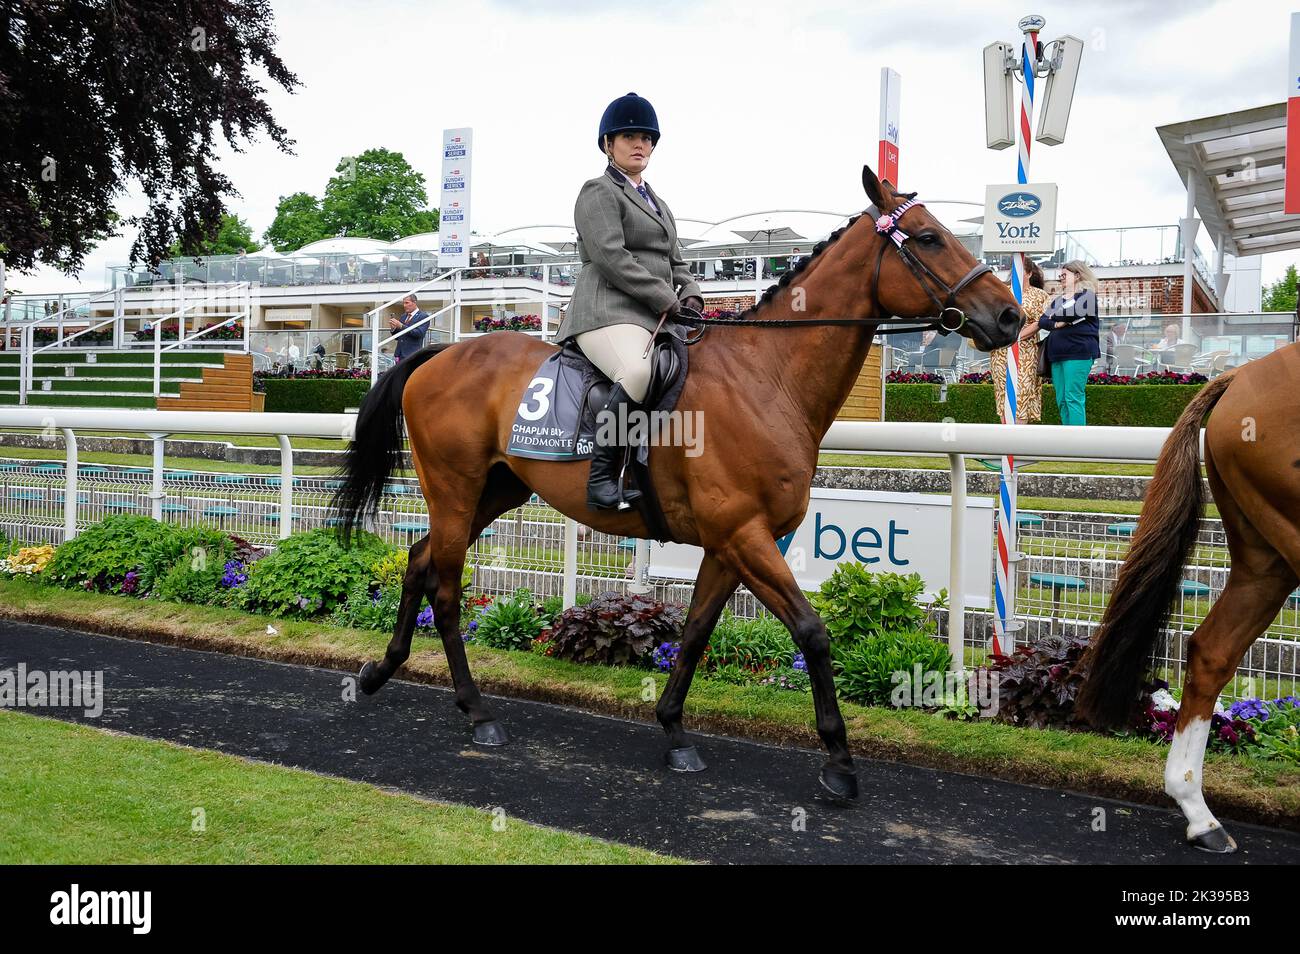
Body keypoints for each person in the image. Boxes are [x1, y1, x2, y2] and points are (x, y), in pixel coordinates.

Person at [553, 91, 703, 510]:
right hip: (605, 312)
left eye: (647, 138)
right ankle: (602, 480)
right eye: (630, 137)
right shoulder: (597, 191)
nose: (640, 145)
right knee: (637, 373)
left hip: (652, 315)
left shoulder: (659, 203)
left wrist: (689, 291)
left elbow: (676, 261)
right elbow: (611, 258)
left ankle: (649, 465)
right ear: (608, 144)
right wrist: (664, 297)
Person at [1038, 260, 1100, 426]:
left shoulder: (1088, 296)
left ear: (1078, 275)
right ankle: (1067, 442)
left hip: (1078, 353)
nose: (1061, 279)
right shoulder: (1059, 299)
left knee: (1073, 397)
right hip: (1056, 355)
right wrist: (1057, 322)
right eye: (1060, 276)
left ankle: (1078, 446)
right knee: (1062, 399)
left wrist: (1056, 316)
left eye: (1065, 275)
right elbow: (1042, 321)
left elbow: (1072, 313)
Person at [990, 258, 1049, 422]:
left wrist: (1017, 337)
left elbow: (1040, 321)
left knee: (1023, 391)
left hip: (1027, 350)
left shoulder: (1040, 295)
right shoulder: (1003, 292)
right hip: (1001, 351)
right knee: (1003, 391)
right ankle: (1005, 439)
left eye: (1020, 271)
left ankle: (1018, 439)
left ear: (1029, 273)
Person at [390, 294, 429, 363]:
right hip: (399, 354)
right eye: (404, 303)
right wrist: (394, 328)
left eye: (407, 303)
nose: (404, 305)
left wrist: (401, 326)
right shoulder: (403, 316)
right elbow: (398, 337)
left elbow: (419, 334)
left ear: (414, 302)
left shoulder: (423, 316)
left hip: (412, 355)